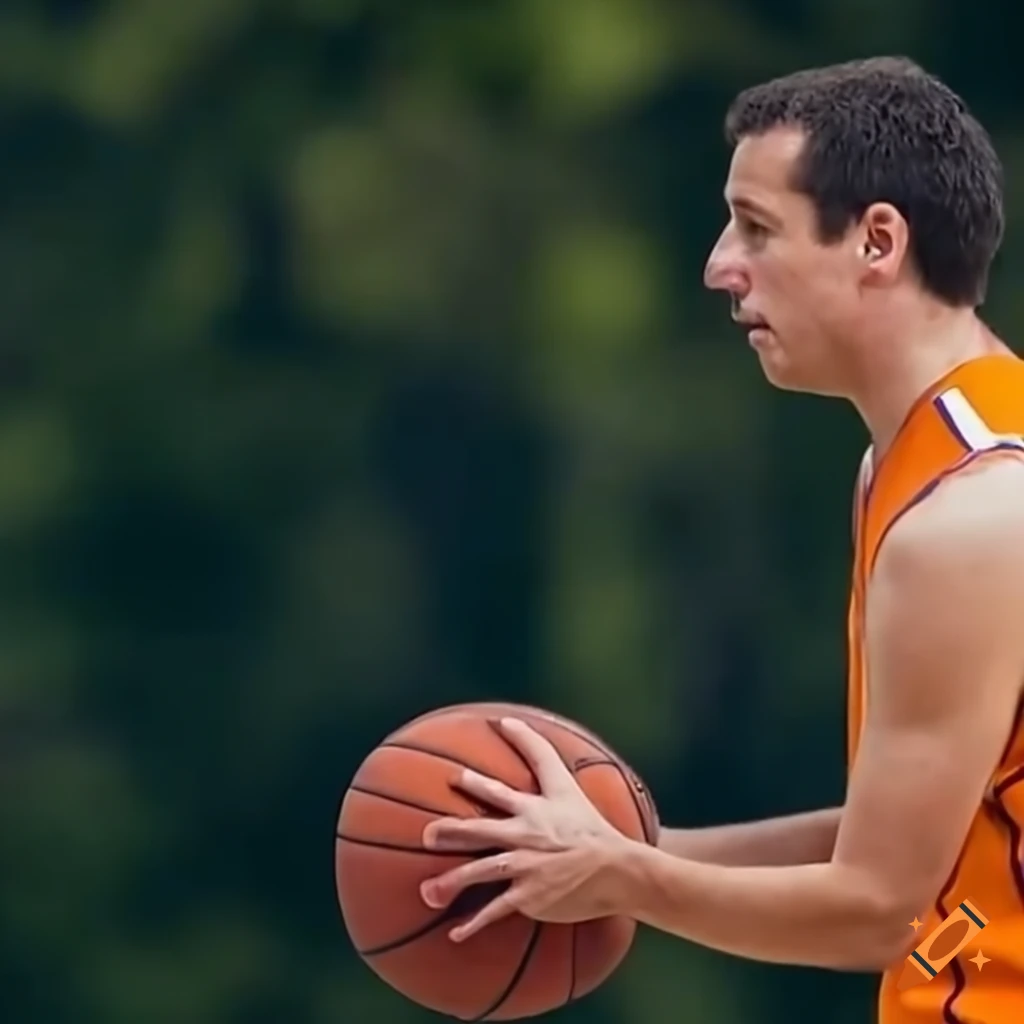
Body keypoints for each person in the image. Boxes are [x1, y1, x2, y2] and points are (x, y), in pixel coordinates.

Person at [419, 57, 1024, 1024]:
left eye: (757, 226)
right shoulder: (917, 470)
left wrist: (628, 879)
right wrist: (629, 848)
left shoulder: (974, 518)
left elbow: (880, 911)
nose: (718, 265)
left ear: (877, 240)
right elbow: (909, 842)